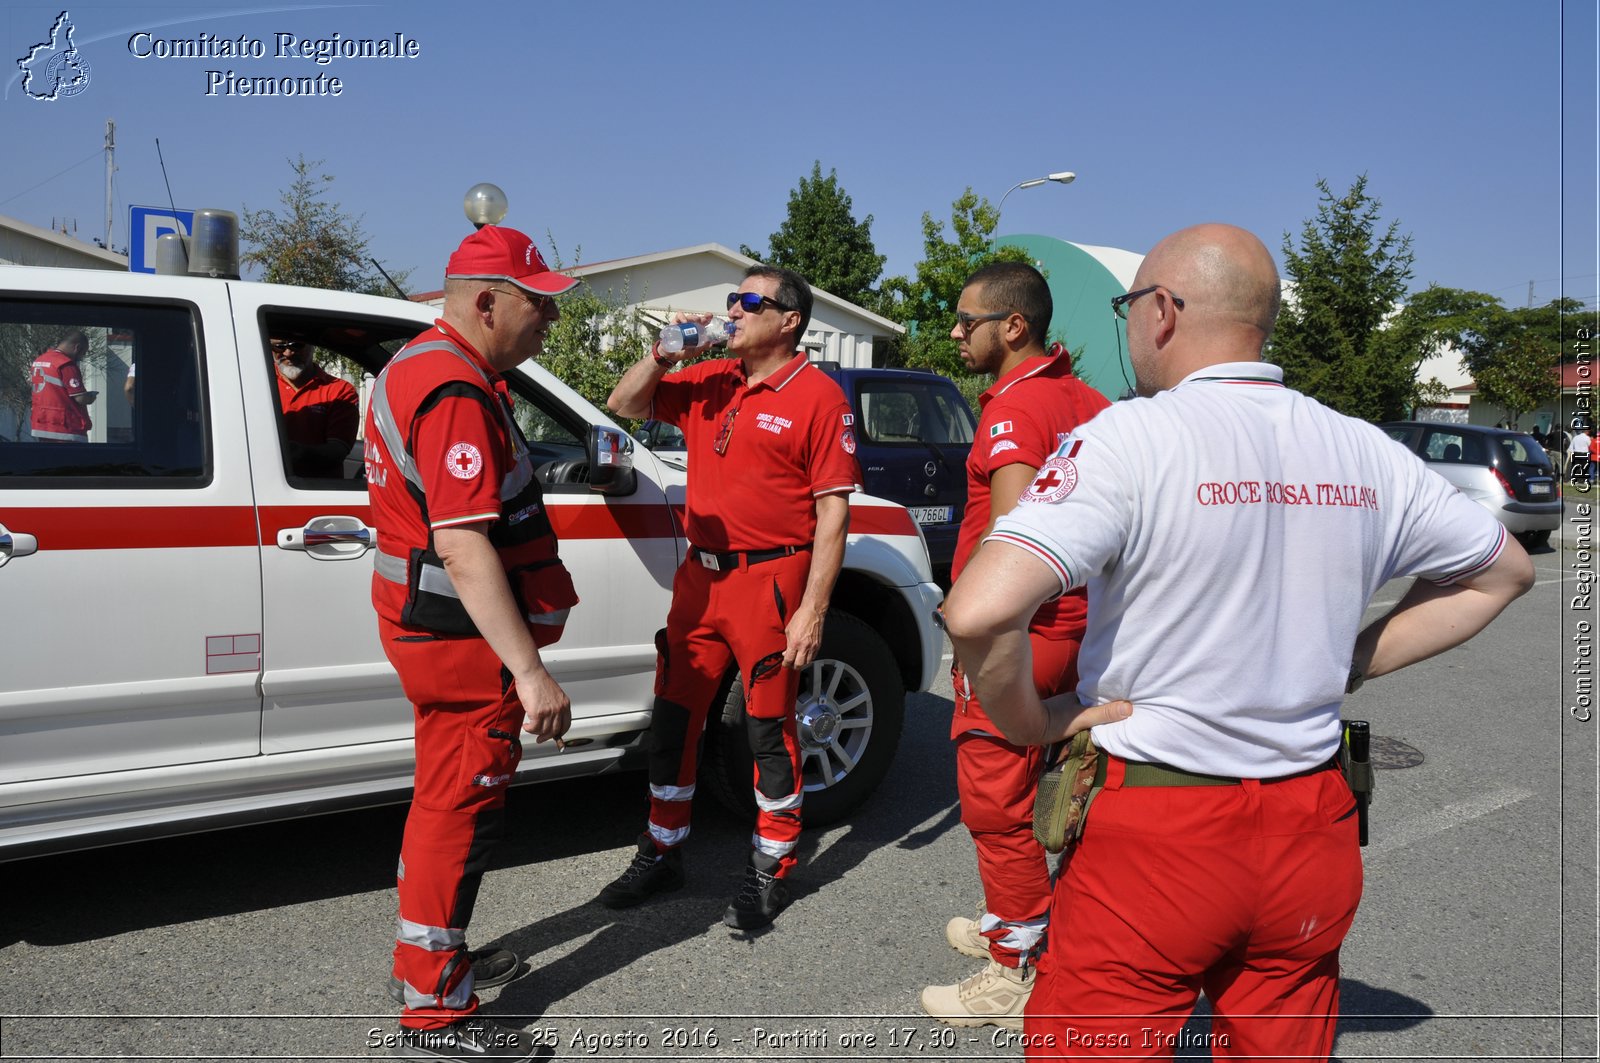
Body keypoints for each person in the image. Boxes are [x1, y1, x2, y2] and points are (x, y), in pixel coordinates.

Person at [942, 223, 1534, 1060]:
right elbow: (1503, 572)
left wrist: (1030, 723)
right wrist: (1352, 662)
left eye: (1128, 305)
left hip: (1154, 823)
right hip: (1313, 816)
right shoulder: (1365, 448)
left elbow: (976, 610)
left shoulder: (1132, 436)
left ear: (1164, 311)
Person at [363, 225, 580, 1061]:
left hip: (431, 628)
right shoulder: (453, 387)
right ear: (487, 302)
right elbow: (460, 539)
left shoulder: (418, 363)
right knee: (461, 806)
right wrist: (530, 671)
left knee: (440, 798)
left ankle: (430, 958)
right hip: (461, 642)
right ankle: (435, 1009)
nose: (548, 323)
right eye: (540, 304)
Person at [599, 265, 861, 930]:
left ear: (789, 320)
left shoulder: (819, 397)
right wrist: (663, 354)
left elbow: (834, 515)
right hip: (700, 579)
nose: (733, 312)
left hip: (770, 582)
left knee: (768, 730)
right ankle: (662, 850)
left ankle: (772, 867)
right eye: (732, 300)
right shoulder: (709, 379)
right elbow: (623, 403)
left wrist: (814, 608)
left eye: (749, 302)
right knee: (672, 720)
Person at [920, 262, 1109, 1029]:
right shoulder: (1086, 398)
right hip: (1074, 629)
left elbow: (1011, 543)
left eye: (968, 320)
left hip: (1022, 633)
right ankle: (1024, 923)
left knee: (996, 801)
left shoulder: (1015, 409)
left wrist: (974, 624)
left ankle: (1014, 968)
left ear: (1014, 326)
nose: (956, 332)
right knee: (1050, 786)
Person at [271, 335, 360, 478]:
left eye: (296, 345)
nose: (288, 353)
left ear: (312, 346)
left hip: (317, 492)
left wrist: (293, 452)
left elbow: (338, 450)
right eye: (279, 346)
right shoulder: (259, 385)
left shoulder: (340, 391)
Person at [30, 329, 95, 442]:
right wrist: (90, 397)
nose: (81, 357)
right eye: (83, 353)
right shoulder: (66, 364)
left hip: (42, 425)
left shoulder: (39, 360)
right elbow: (80, 398)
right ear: (77, 348)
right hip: (66, 429)